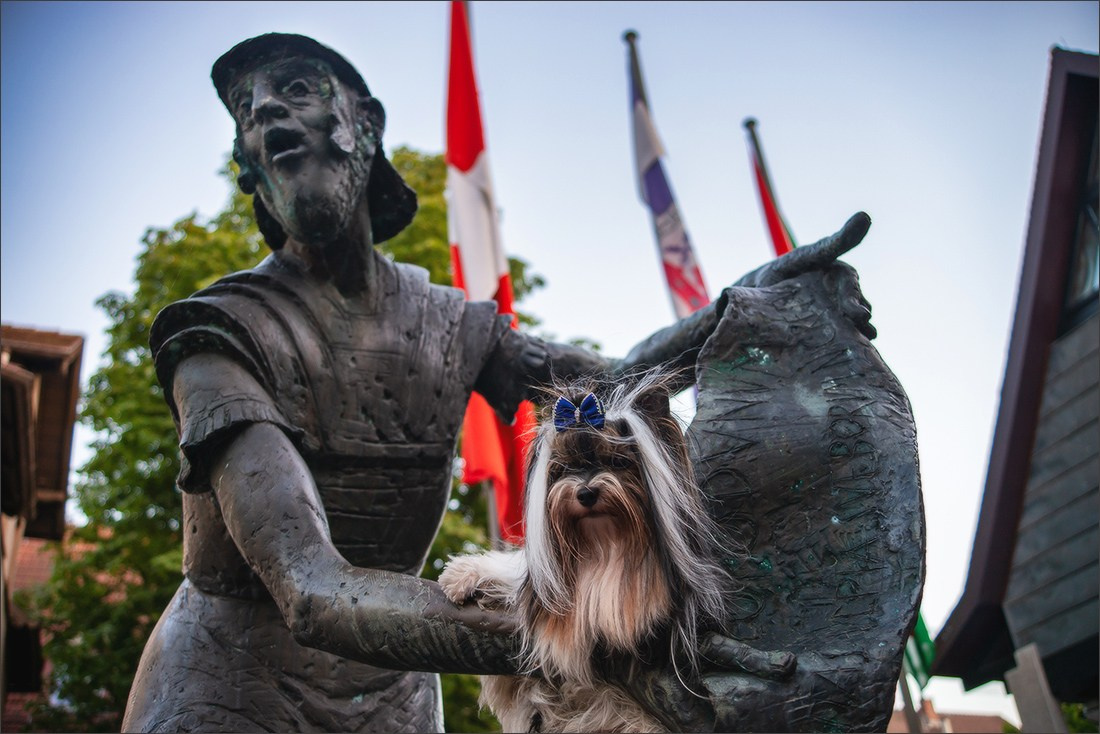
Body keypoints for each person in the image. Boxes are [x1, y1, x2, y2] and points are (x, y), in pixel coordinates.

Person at [122, 33, 869, 733]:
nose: (271, 113)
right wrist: (603, 642)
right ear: (247, 167)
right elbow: (312, 591)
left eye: (294, 89)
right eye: (251, 115)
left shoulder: (448, 321)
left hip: (394, 693)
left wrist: (754, 305)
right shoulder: (215, 332)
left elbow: (608, 394)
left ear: (364, 124)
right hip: (227, 688)